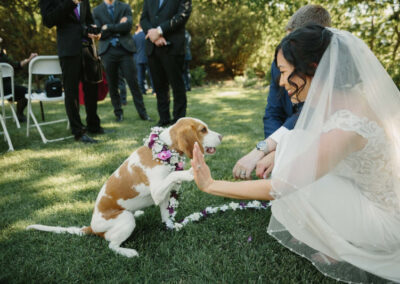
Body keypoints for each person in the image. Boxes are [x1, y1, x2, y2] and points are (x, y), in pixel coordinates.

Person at [191, 24, 400, 283]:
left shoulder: (347, 126)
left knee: (297, 173)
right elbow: (300, 138)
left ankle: (341, 242)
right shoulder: (349, 98)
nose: (280, 82)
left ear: (312, 69)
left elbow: (280, 187)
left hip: (384, 223)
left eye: (284, 72)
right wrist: (269, 152)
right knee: (293, 141)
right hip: (373, 193)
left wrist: (211, 185)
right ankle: (337, 233)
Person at [233, 5, 331, 180]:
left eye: (294, 42)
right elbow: (273, 111)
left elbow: (307, 114)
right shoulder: (280, 62)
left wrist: (273, 152)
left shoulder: (337, 78)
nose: (287, 51)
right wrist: (269, 151)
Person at [39, 0, 106, 143]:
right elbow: (48, 20)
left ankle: (94, 125)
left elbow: (88, 20)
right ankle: (78, 131)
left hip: (87, 47)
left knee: (91, 87)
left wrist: (93, 29)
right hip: (68, 49)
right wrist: (71, 2)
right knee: (72, 91)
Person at [92, 0, 152, 123]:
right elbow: (99, 32)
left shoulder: (124, 7)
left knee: (133, 83)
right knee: (112, 85)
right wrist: (117, 27)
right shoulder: (96, 11)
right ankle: (118, 114)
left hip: (125, 50)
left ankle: (143, 113)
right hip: (107, 51)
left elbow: (127, 26)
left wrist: (108, 26)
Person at [140, 0, 192, 127]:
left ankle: (179, 120)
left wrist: (159, 31)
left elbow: (182, 15)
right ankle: (163, 119)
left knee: (177, 85)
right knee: (159, 86)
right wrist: (153, 35)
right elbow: (144, 19)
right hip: (153, 47)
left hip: (173, 47)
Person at [0, 38, 37, 123]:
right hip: (4, 88)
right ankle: (19, 115)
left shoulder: (2, 54)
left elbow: (16, 65)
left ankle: (19, 114)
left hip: (8, 87)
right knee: (27, 92)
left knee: (27, 92)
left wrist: (28, 59)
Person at [133, 24, 154, 95]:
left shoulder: (134, 37)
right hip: (148, 57)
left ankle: (142, 91)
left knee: (140, 76)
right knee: (152, 75)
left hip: (139, 58)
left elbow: (133, 49)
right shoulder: (146, 34)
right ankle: (154, 90)